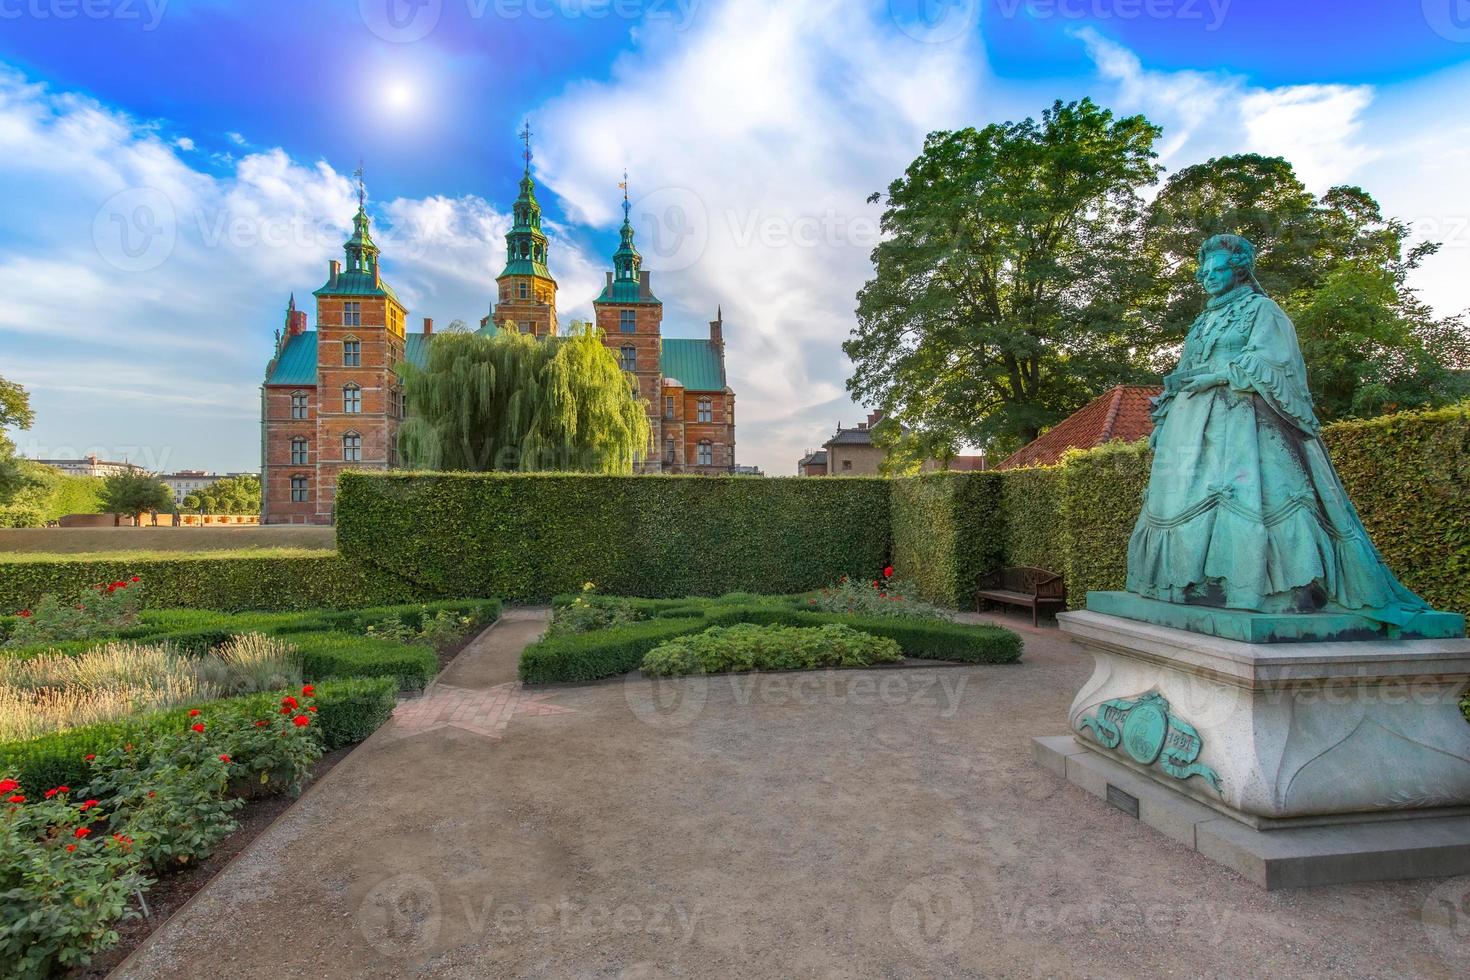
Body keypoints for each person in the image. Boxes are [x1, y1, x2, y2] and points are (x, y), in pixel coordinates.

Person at [1126, 234, 1427, 626]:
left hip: (1245, 422)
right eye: (1204, 271)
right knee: (1178, 503)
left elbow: (1273, 362)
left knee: (1256, 496)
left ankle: (1263, 588)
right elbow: (1181, 375)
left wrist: (1217, 376)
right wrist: (1163, 422)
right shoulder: (1202, 321)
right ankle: (1189, 583)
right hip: (1189, 426)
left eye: (1218, 270)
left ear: (1239, 271)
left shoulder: (1263, 310)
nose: (1209, 277)